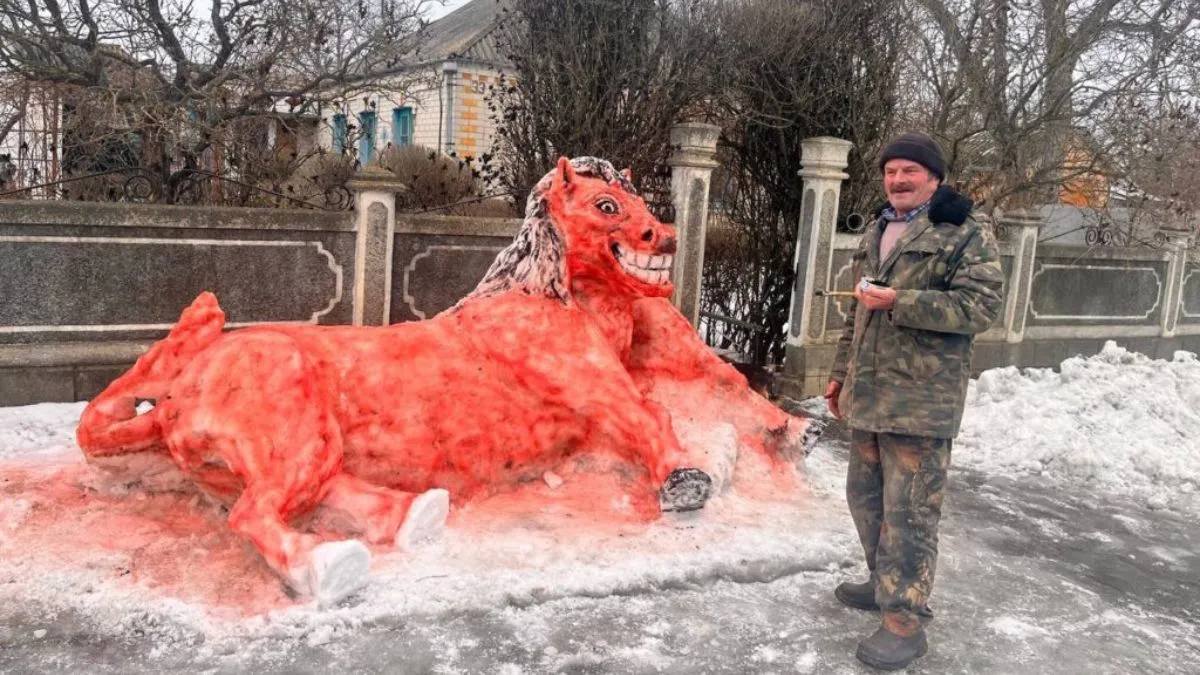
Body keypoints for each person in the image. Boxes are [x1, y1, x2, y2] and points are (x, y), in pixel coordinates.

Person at [825, 132, 1004, 670]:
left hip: (921, 401)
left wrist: (901, 300)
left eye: (910, 171)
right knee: (866, 499)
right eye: (890, 171)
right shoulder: (879, 228)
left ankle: (904, 620)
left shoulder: (964, 232)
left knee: (910, 515)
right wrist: (839, 376)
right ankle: (884, 585)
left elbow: (980, 308)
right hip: (870, 393)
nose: (898, 180)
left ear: (934, 176)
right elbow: (859, 314)